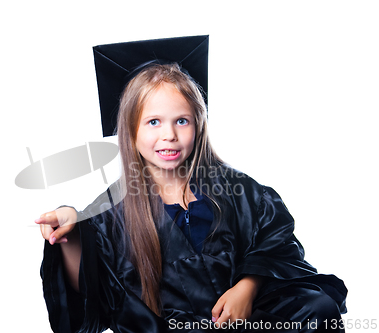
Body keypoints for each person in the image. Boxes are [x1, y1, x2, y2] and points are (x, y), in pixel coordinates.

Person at [36, 37, 347, 333]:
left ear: (198, 124)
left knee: (316, 307)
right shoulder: (112, 210)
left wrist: (247, 288)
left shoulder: (237, 189)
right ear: (130, 130)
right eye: (153, 121)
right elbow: (91, 292)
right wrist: (73, 232)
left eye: (181, 120)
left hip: (247, 320)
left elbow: (276, 245)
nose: (169, 134)